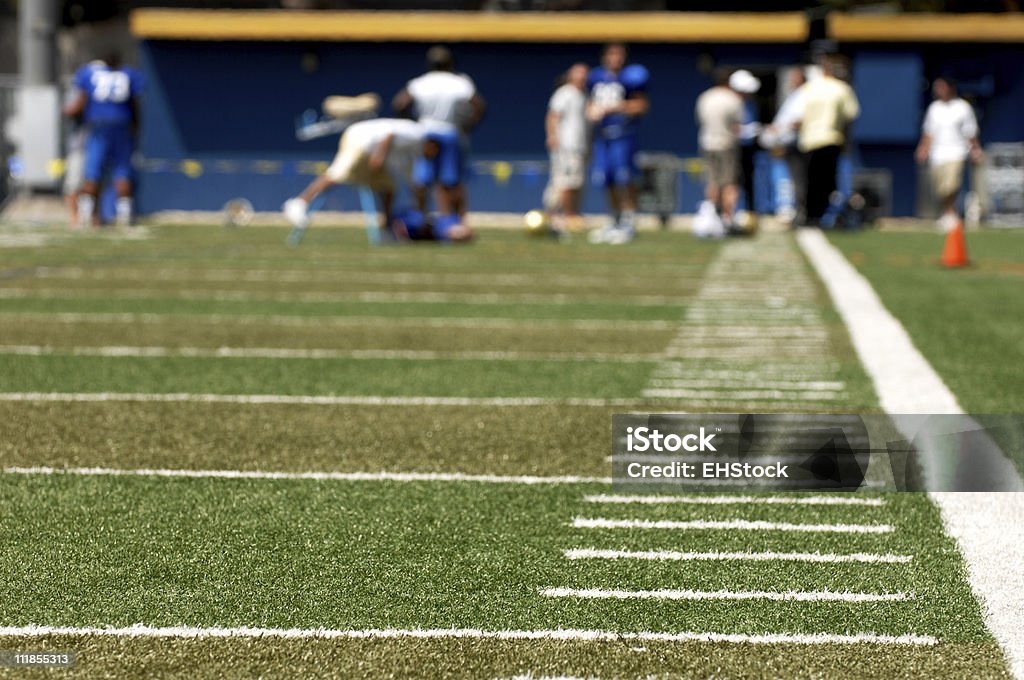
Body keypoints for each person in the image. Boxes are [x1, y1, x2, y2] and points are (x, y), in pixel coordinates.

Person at [282, 118, 472, 242]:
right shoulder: (417, 134)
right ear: (431, 144)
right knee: (338, 173)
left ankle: (386, 229)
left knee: (389, 187)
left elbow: (414, 183)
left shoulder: (414, 153)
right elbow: (389, 133)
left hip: (373, 153)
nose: (433, 156)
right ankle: (299, 202)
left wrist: (421, 209)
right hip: (360, 139)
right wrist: (379, 156)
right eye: (434, 152)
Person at [392, 46, 486, 227]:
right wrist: (467, 126)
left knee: (421, 179)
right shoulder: (460, 82)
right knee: (451, 180)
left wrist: (412, 124)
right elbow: (479, 106)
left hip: (424, 132)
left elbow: (400, 103)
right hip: (451, 131)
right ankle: (454, 221)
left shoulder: (420, 82)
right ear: (450, 63)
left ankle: (420, 219)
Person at [63, 54, 144, 229]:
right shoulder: (128, 74)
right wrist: (136, 127)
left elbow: (79, 104)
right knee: (122, 172)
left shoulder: (90, 75)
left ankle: (85, 217)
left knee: (92, 173)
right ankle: (125, 216)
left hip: (99, 128)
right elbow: (135, 105)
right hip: (122, 127)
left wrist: (68, 113)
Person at [586, 43, 650, 244]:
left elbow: (642, 105)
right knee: (607, 179)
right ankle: (614, 220)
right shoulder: (597, 78)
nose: (616, 59)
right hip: (603, 136)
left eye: (619, 55)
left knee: (626, 178)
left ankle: (629, 222)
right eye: (612, 54)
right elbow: (591, 104)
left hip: (623, 134)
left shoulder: (631, 77)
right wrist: (592, 110)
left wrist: (614, 108)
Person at [797, 56, 860, 227]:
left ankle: (810, 216)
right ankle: (824, 216)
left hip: (808, 140)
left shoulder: (809, 88)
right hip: (830, 139)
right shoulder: (841, 88)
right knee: (827, 181)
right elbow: (851, 115)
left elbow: (797, 115)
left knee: (810, 180)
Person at [915, 77, 982, 231]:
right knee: (940, 187)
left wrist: (976, 149)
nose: (939, 90)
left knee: (950, 185)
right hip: (937, 154)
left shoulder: (963, 108)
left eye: (942, 87)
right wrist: (923, 148)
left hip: (956, 152)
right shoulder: (934, 108)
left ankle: (950, 213)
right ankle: (947, 213)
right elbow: (929, 132)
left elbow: (970, 132)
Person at [695, 68, 743, 230]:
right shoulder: (733, 99)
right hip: (727, 144)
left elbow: (700, 120)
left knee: (712, 182)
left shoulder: (705, 97)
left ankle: (712, 219)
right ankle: (728, 220)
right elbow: (737, 126)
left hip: (707, 143)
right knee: (729, 183)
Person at [544, 63, 590, 232]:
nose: (582, 77)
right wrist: (552, 136)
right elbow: (553, 115)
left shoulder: (584, 95)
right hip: (566, 145)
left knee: (576, 182)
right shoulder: (564, 93)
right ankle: (567, 216)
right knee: (565, 181)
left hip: (580, 146)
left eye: (584, 74)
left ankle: (563, 214)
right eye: (578, 74)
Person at [764, 66, 808, 225]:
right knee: (793, 179)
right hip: (787, 143)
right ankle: (796, 211)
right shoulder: (794, 95)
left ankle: (800, 212)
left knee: (799, 180)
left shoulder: (804, 95)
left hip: (796, 144)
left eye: (794, 77)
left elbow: (798, 121)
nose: (791, 81)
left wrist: (780, 130)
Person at [729, 69, 762, 215]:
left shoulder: (751, 104)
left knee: (749, 181)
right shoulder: (730, 103)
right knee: (732, 181)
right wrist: (744, 130)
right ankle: (730, 212)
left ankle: (749, 211)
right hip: (733, 148)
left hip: (748, 148)